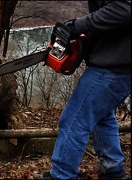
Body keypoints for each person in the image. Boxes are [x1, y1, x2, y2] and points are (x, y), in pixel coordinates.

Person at [35, 0, 131, 179]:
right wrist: (85, 43)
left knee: (74, 120)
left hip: (113, 66)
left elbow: (125, 10)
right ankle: (113, 170)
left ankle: (61, 175)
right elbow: (112, 20)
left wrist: (77, 25)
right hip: (118, 61)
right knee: (102, 116)